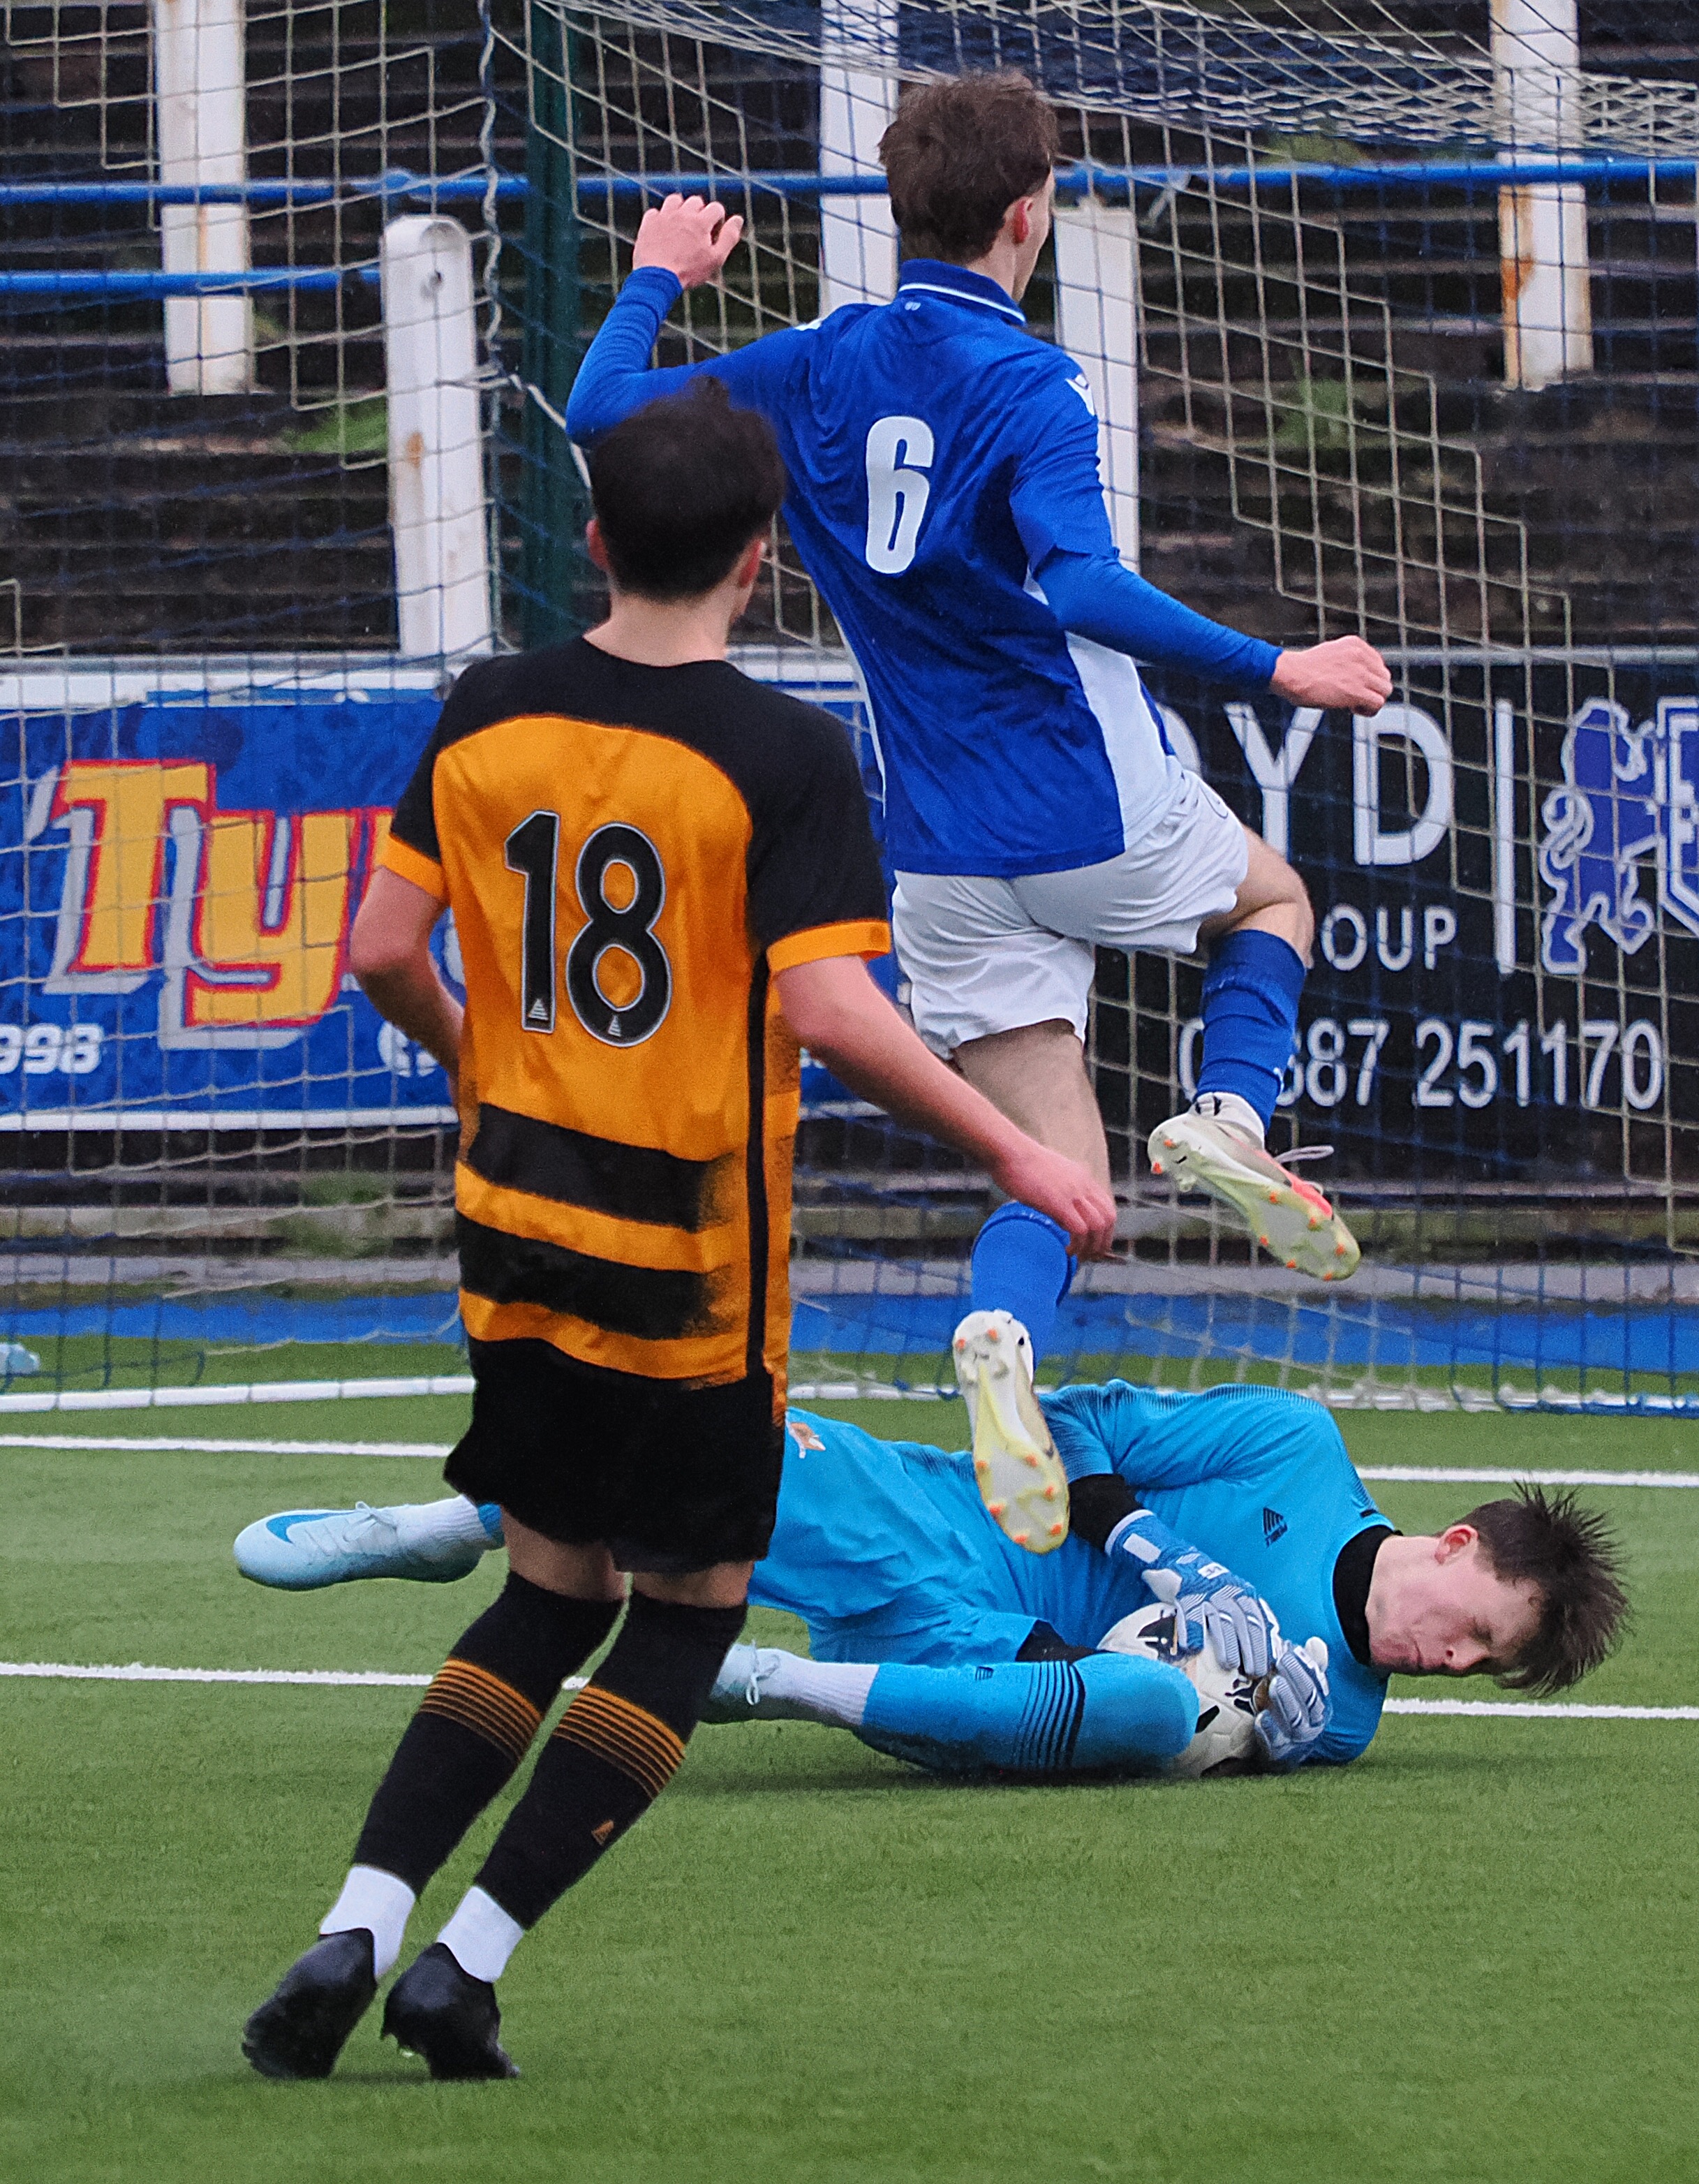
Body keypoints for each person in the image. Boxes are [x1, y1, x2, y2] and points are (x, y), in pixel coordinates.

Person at [241, 383, 1115, 2086]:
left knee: (544, 1587)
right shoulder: (784, 753)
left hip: (513, 1226)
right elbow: (832, 1012)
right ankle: (464, 1965)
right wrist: (1021, 1151)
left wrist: (485, 1064)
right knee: (685, 1611)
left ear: (592, 538)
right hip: (687, 1264)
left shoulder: (486, 708)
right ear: (759, 558)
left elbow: (382, 952)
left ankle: (357, 1918)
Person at [563, 70, 1395, 1533]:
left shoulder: (817, 362)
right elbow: (1078, 585)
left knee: (1060, 1175)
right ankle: (1227, 1114)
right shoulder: (1030, 383)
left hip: (941, 850)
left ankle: (999, 1335)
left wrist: (656, 275)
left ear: (904, 209)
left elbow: (598, 412)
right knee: (1272, 900)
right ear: (1029, 214)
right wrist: (1279, 666)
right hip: (1085, 798)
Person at [235, 1380, 1628, 1782]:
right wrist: (1149, 1547)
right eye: (1473, 1633)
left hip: (998, 1672)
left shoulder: (1349, 1720)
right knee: (708, 1432)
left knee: (1149, 1711)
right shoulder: (1292, 1445)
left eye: (1479, 1668)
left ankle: (762, 1681)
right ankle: (449, 1523)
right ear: (1456, 1544)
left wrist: (1239, 1714)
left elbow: (1161, 1731)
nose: (1452, 1664)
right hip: (951, 1528)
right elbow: (1066, 1417)